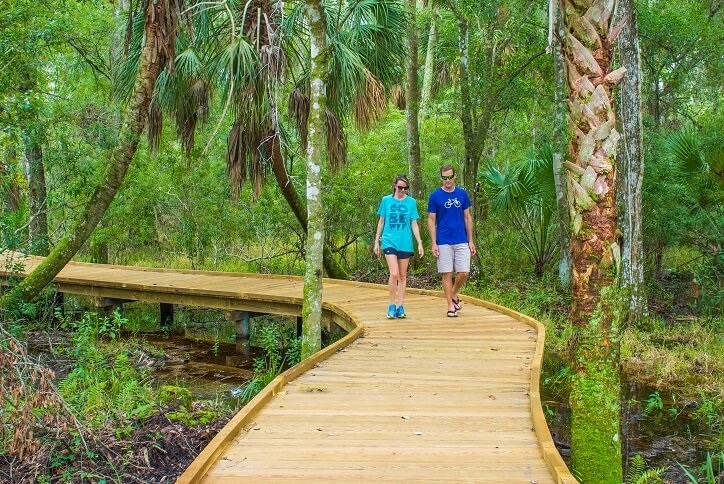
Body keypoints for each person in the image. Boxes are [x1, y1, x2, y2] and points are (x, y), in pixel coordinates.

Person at [427, 164, 476, 317]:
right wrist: (433, 242)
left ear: (455, 177)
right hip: (443, 241)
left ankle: (454, 293)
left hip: (461, 239)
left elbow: (468, 217)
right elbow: (430, 220)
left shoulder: (462, 194)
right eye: (444, 177)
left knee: (464, 272)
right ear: (441, 178)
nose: (447, 180)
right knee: (446, 273)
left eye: (450, 177)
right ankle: (450, 305)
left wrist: (471, 240)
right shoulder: (435, 196)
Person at [374, 175, 424, 319]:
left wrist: (419, 242)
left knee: (402, 276)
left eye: (405, 188)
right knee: (394, 273)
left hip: (405, 242)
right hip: (389, 240)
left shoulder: (411, 202)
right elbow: (381, 221)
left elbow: (414, 223)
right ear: (395, 186)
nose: (402, 190)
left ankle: (400, 306)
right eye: (400, 187)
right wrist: (377, 241)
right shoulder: (386, 200)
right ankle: (391, 304)